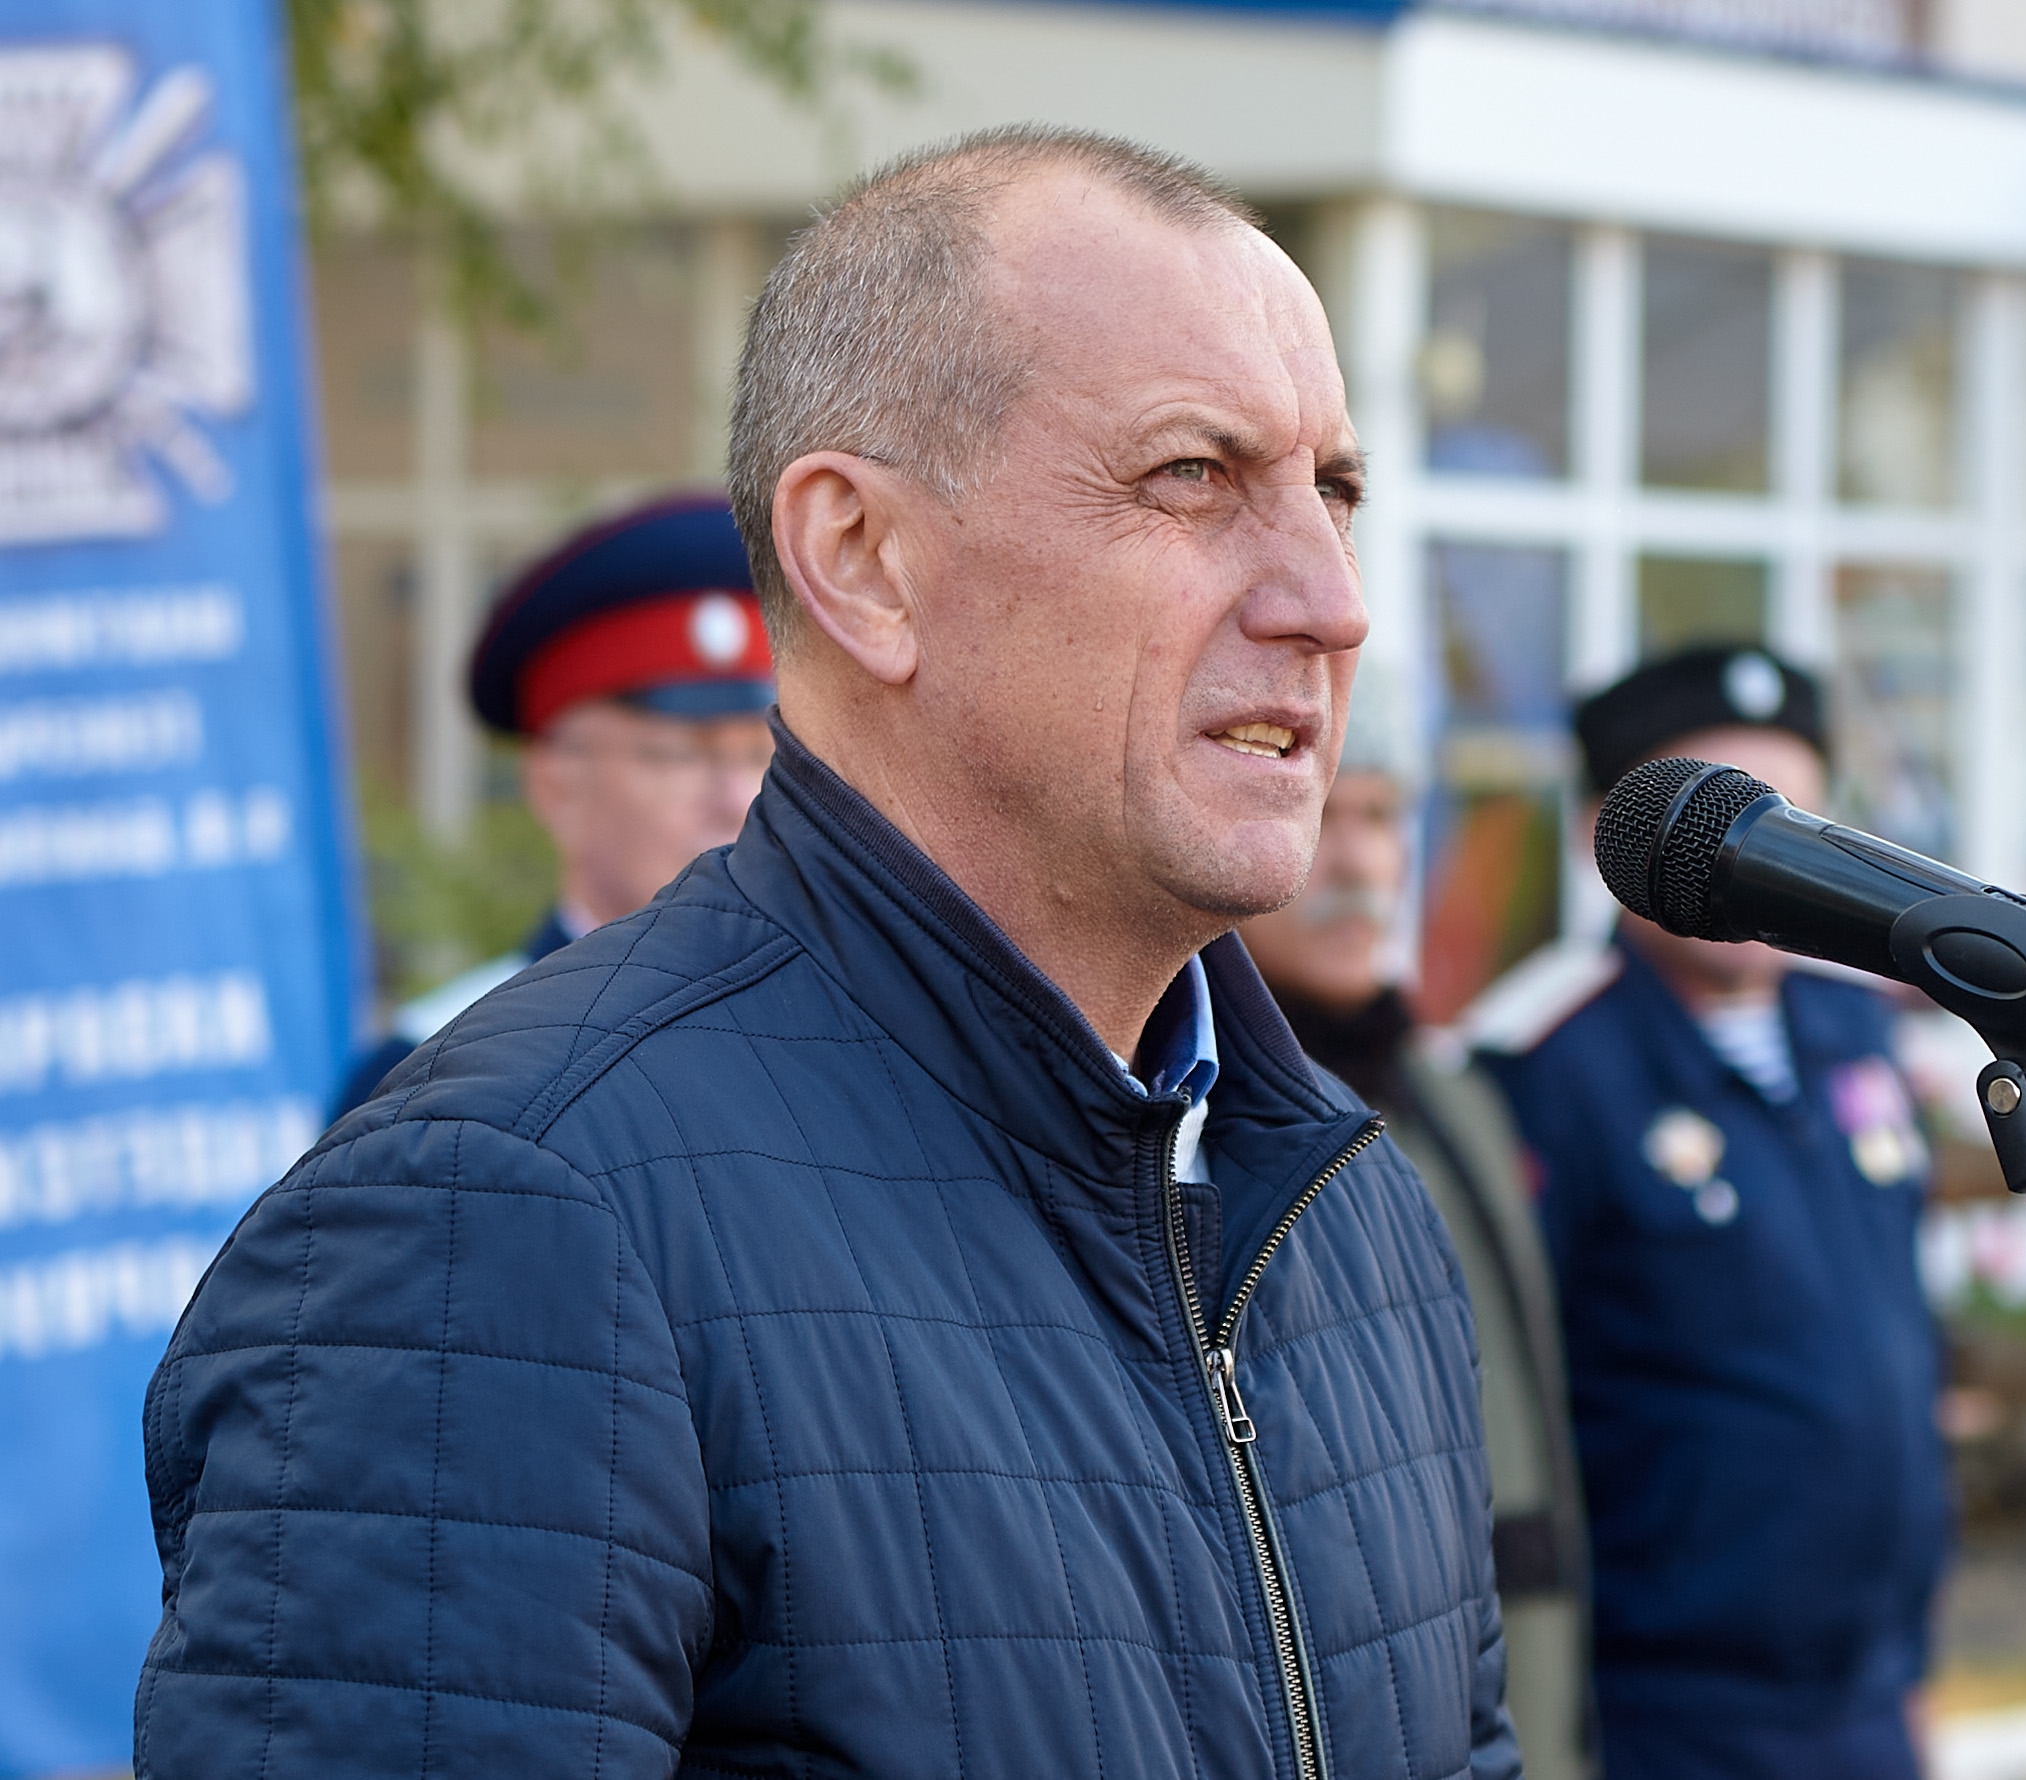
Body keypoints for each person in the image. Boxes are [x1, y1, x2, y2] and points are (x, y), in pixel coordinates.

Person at [136, 127, 1517, 1780]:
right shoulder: (505, 1215)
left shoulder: (1347, 1208)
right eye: (1191, 476)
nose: (1330, 602)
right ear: (863, 561)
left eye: (1334, 492)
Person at [1469, 646, 1946, 1780]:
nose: (1760, 867)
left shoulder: (1850, 1029)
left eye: (1790, 823)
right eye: (1719, 824)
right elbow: (1499, 1414)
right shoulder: (1540, 1068)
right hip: (1661, 1710)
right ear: (1611, 837)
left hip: (1869, 1689)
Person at [1240, 658, 1591, 1780]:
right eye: (1319, 814)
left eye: (1382, 817)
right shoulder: (1198, 1123)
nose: (1354, 865)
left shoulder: (1457, 1103)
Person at [331, 494, 774, 1113]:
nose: (736, 798)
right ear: (556, 786)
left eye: (762, 753)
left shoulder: (849, 1038)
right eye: (677, 754)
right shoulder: (437, 1076)